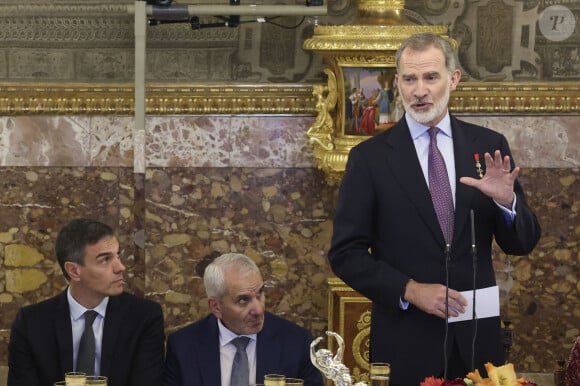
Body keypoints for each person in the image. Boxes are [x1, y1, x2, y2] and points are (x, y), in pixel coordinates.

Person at [327, 32, 541, 386]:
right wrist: (409, 289)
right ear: (397, 83)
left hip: (477, 345)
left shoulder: (487, 147)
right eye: (409, 79)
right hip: (406, 343)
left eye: (430, 77)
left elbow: (522, 243)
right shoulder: (370, 159)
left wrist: (507, 202)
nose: (419, 91)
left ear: (453, 79)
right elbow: (345, 253)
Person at [8, 218, 165, 386]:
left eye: (117, 255)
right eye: (105, 259)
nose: (120, 267)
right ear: (74, 271)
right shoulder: (31, 323)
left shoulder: (143, 317)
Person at [163, 252, 324, 386]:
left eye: (260, 294)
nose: (258, 309)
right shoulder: (183, 347)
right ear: (216, 307)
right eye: (243, 300)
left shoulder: (297, 343)